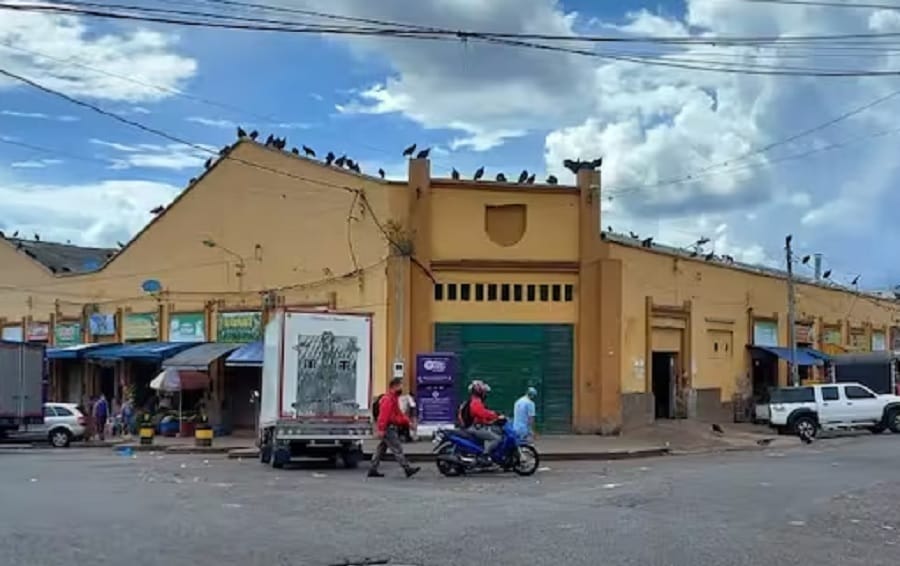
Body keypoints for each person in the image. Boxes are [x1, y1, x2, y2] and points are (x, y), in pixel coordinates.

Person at [368, 377, 421, 479]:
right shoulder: (388, 399)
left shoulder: (393, 398)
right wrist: (381, 429)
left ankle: (373, 469)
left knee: (381, 449)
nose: (402, 388)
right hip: (388, 428)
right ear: (395, 386)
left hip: (389, 427)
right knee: (397, 449)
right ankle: (407, 469)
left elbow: (398, 414)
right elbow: (384, 416)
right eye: (400, 385)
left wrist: (408, 423)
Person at [466, 380, 502, 463]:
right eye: (484, 392)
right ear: (479, 391)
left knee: (493, 432)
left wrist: (490, 420)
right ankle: (485, 455)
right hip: (475, 428)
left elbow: (481, 415)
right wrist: (495, 415)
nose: (485, 394)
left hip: (477, 426)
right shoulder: (476, 402)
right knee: (496, 438)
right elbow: (482, 413)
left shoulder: (476, 400)